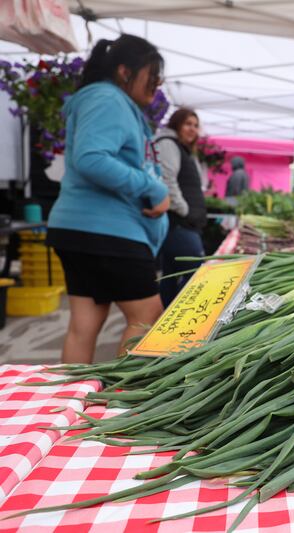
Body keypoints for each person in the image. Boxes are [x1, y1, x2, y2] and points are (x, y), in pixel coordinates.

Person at [45, 35, 168, 363]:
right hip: (109, 232)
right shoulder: (108, 99)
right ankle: (122, 401)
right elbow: (91, 158)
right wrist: (154, 189)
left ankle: (69, 404)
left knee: (84, 325)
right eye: (152, 76)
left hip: (81, 228)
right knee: (147, 316)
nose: (156, 85)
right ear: (125, 72)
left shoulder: (103, 100)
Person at [154, 107, 207, 306]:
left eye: (195, 125)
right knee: (196, 271)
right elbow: (167, 180)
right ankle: (181, 317)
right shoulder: (168, 144)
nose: (192, 129)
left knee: (171, 273)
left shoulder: (184, 150)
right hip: (179, 222)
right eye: (187, 124)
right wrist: (184, 209)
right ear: (176, 124)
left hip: (185, 223)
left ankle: (164, 317)